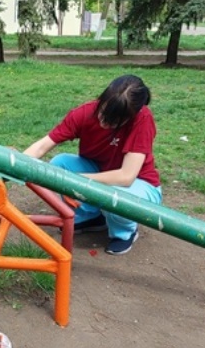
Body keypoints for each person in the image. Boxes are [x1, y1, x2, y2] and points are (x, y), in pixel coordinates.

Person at [23, 74, 162, 256]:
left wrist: (74, 181)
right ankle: (94, 217)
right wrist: (13, 164)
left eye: (113, 121)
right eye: (103, 113)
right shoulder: (85, 113)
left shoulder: (142, 119)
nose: (104, 122)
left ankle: (125, 232)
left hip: (139, 184)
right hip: (101, 171)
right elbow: (42, 146)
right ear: (101, 100)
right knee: (60, 163)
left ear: (132, 115)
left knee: (115, 195)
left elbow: (126, 177)